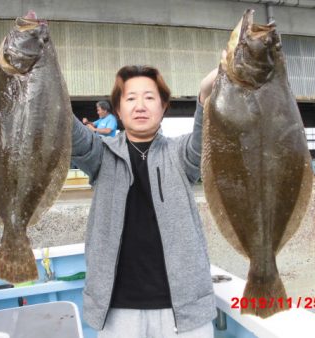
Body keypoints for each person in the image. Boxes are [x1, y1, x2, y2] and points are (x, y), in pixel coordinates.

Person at [71, 64, 218, 338]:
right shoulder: (100, 154)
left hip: (184, 313)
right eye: (130, 98)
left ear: (163, 107)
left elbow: (206, 137)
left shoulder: (181, 153)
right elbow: (69, 132)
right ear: (117, 109)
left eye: (150, 98)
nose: (140, 106)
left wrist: (206, 95)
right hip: (117, 311)